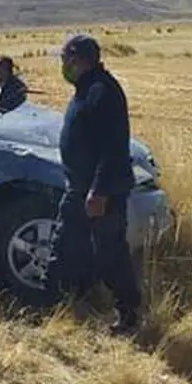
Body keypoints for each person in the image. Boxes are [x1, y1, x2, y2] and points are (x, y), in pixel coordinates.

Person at [44, 34, 141, 336]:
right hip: (80, 188)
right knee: (67, 247)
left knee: (110, 255)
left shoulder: (102, 92)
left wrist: (98, 192)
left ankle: (128, 315)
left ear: (77, 60)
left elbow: (113, 148)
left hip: (101, 192)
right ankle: (60, 309)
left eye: (64, 59)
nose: (62, 65)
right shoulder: (86, 89)